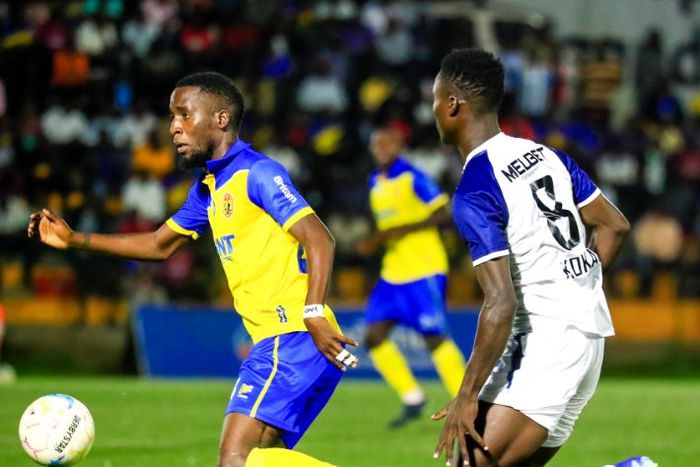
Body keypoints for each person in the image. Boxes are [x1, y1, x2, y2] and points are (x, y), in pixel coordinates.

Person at [28, 72, 358, 467]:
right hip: (289, 341)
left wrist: (313, 312)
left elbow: (320, 238)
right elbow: (158, 244)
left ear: (220, 119)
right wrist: (75, 239)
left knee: (235, 460)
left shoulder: (257, 173)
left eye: (184, 114)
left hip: (291, 335)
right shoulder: (208, 189)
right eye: (172, 116)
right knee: (258, 459)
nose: (173, 127)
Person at [429, 49, 630, 466]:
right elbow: (613, 225)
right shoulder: (546, 155)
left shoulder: (476, 188)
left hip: (543, 341)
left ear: (452, 104)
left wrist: (466, 395)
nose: (432, 110)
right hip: (587, 336)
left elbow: (500, 302)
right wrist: (577, 285)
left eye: (435, 99)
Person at [357, 127, 466, 428]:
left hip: (424, 268)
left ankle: (466, 400)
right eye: (377, 143)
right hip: (393, 271)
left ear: (399, 146)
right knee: (374, 336)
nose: (382, 148)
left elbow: (445, 213)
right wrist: (378, 238)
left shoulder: (413, 177)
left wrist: (398, 230)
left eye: (388, 143)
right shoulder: (374, 181)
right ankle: (412, 397)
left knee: (433, 337)